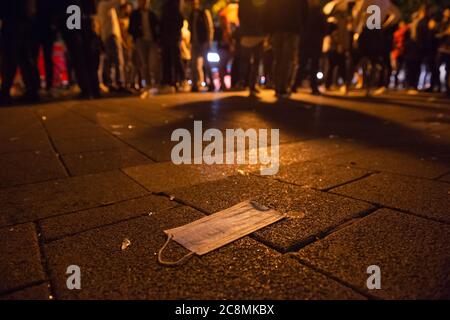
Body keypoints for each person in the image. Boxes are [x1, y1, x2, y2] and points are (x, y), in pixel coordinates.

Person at [264, 0, 307, 98]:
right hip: (292, 27)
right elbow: (304, 10)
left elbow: (268, 9)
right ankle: (283, 86)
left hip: (277, 27)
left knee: (278, 59)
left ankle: (278, 86)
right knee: (288, 58)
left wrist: (268, 29)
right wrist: (301, 26)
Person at [58, 0, 100, 99]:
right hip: (82, 15)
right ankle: (94, 88)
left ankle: (87, 89)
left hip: (72, 11)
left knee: (78, 54)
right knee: (87, 54)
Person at [1, 0, 40, 104]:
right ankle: (32, 91)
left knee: (11, 56)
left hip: (15, 17)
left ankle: (5, 92)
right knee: (24, 57)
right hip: (25, 17)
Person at [294, 0, 327, 95]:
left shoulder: (305, 10)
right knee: (311, 64)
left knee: (304, 64)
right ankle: (311, 87)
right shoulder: (319, 12)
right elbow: (325, 28)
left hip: (308, 41)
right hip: (313, 41)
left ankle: (295, 84)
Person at [129, 0, 160, 90]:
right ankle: (148, 84)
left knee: (153, 63)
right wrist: (136, 36)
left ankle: (155, 83)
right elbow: (131, 29)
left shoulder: (152, 14)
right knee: (144, 63)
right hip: (140, 40)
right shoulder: (134, 14)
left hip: (152, 41)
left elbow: (157, 27)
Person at [238, 0, 266, 96]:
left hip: (248, 33)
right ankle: (251, 84)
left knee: (246, 60)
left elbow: (240, 15)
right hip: (257, 33)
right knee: (255, 61)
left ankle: (244, 82)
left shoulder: (243, 3)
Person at [97, 0, 126, 91]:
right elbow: (120, 2)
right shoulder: (104, 4)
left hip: (110, 35)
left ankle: (111, 82)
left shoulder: (106, 6)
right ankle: (119, 82)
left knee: (110, 60)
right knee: (118, 60)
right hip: (111, 35)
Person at [189, 0, 215, 92]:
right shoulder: (191, 15)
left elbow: (209, 28)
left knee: (207, 64)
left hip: (203, 42)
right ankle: (195, 85)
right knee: (193, 65)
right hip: (194, 42)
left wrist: (209, 41)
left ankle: (211, 83)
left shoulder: (204, 13)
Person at [160, 0, 183, 91]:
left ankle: (172, 80)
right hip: (170, 38)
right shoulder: (172, 8)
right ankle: (173, 80)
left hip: (170, 38)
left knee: (171, 60)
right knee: (172, 60)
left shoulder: (168, 9)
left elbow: (179, 22)